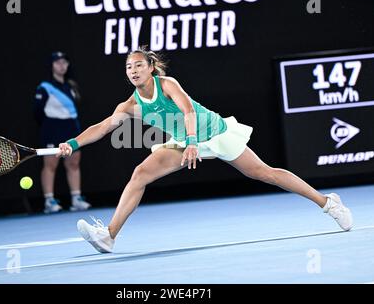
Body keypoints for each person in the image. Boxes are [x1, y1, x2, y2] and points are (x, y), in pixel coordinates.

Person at [56, 46, 353, 253]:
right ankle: (109, 236)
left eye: (138, 65)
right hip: (183, 141)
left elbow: (188, 111)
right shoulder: (130, 105)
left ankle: (328, 203)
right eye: (128, 67)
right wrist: (72, 143)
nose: (132, 71)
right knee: (140, 174)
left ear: (150, 67)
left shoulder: (167, 83)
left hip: (212, 133)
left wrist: (194, 143)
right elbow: (104, 126)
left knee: (265, 174)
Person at [34, 51, 91, 213]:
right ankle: (49, 201)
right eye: (58, 62)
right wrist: (49, 125)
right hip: (52, 128)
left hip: (71, 128)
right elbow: (37, 112)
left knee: (73, 163)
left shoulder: (71, 86)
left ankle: (76, 198)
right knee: (50, 164)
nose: (62, 65)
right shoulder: (45, 87)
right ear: (52, 66)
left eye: (64, 62)